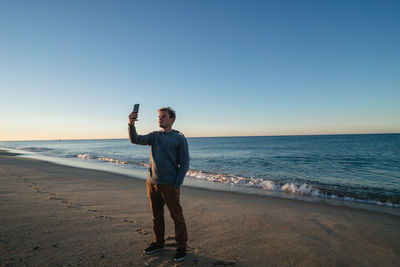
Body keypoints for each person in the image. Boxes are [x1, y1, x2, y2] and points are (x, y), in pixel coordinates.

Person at [128, 107, 189, 262]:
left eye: (163, 116)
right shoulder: (154, 136)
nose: (160, 119)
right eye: (159, 116)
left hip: (170, 185)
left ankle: (181, 247)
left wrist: (177, 183)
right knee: (156, 216)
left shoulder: (179, 138)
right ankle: (158, 243)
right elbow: (135, 139)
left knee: (177, 217)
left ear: (172, 119)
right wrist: (131, 123)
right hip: (152, 183)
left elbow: (185, 163)